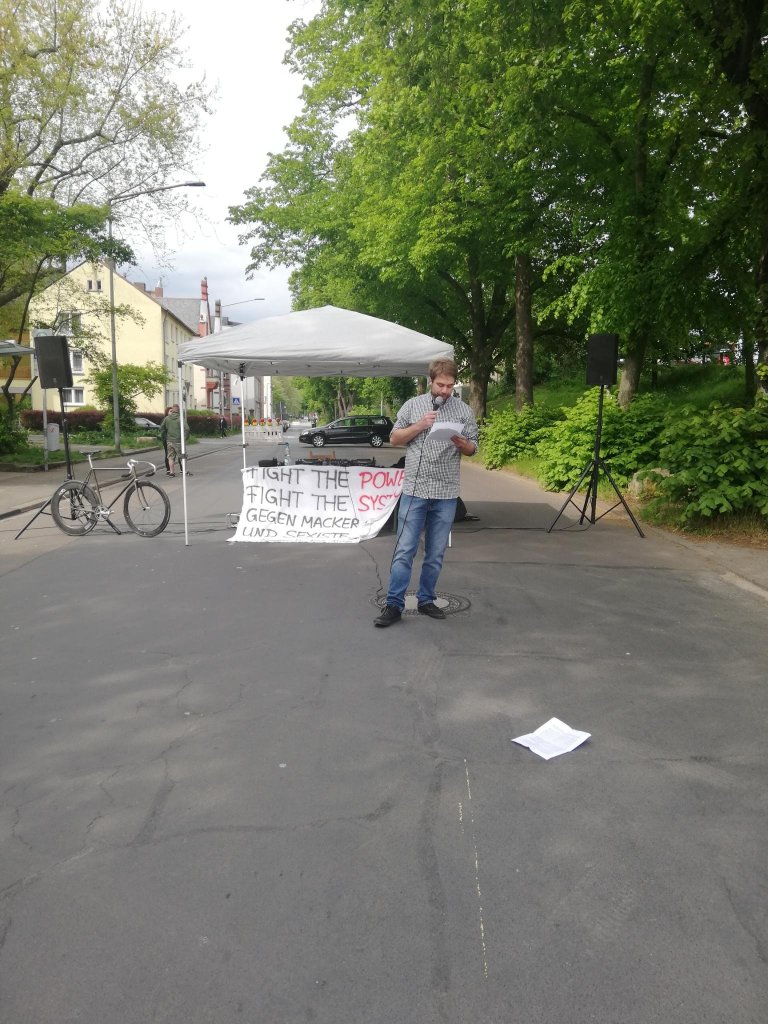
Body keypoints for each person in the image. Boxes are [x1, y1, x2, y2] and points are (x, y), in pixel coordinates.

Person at [374, 358, 478, 627]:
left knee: (436, 552)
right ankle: (394, 604)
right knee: (404, 549)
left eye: (450, 386)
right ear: (430, 381)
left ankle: (426, 599)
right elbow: (394, 438)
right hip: (415, 489)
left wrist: (463, 443)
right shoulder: (412, 405)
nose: (445, 390)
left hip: (446, 491)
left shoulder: (463, 410)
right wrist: (419, 425)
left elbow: (473, 448)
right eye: (441, 385)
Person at [160, 403, 190, 477]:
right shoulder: (180, 418)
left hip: (169, 441)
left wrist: (165, 436)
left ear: (172, 410)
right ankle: (184, 471)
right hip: (179, 441)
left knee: (170, 457)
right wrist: (185, 437)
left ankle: (171, 472)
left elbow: (161, 428)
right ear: (178, 410)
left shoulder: (167, 418)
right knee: (183, 456)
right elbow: (187, 429)